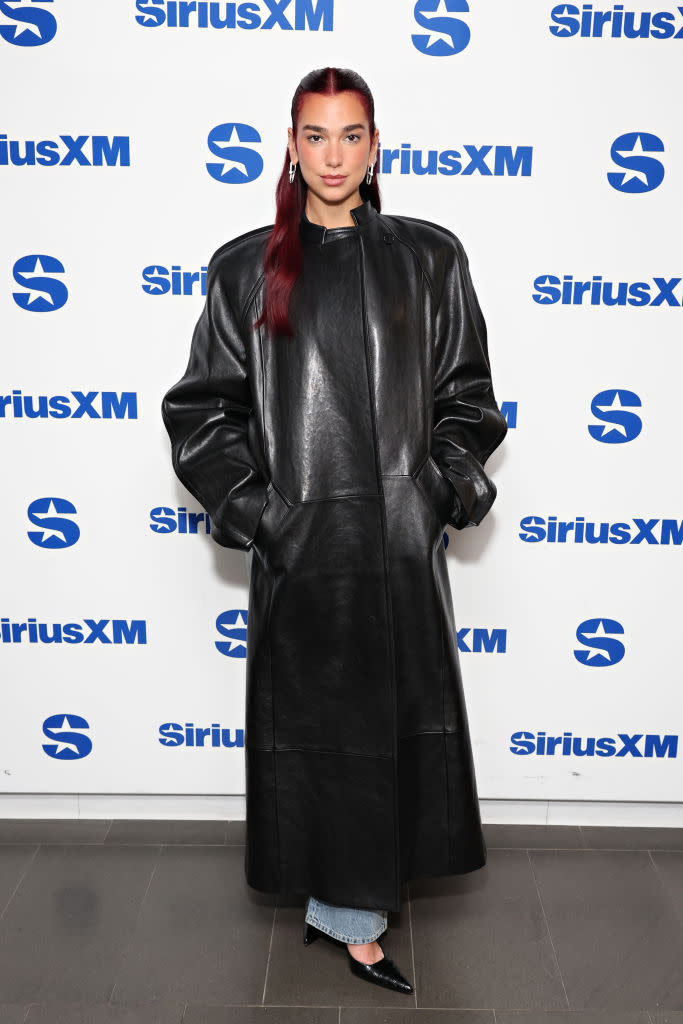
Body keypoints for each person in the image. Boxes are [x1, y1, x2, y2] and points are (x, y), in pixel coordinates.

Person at [161, 67, 508, 995]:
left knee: (386, 735)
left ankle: (343, 915)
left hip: (398, 551)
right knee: (322, 742)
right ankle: (350, 922)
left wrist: (434, 491)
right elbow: (202, 415)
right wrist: (263, 517)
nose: (333, 155)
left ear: (375, 145)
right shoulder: (246, 268)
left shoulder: (430, 259)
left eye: (350, 135)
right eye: (315, 136)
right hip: (305, 559)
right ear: (290, 146)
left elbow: (468, 400)